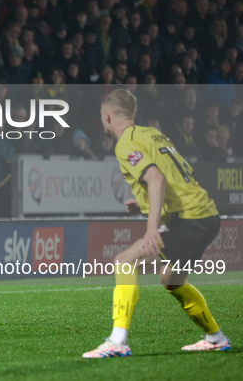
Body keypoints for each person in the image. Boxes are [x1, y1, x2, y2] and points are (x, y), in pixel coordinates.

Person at [83, 89, 230, 359]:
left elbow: (157, 179)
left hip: (190, 218)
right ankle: (215, 338)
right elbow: (175, 175)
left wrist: (152, 228)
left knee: (125, 261)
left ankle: (118, 341)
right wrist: (143, 205)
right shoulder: (152, 134)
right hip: (207, 214)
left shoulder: (125, 143)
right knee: (171, 279)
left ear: (106, 116)